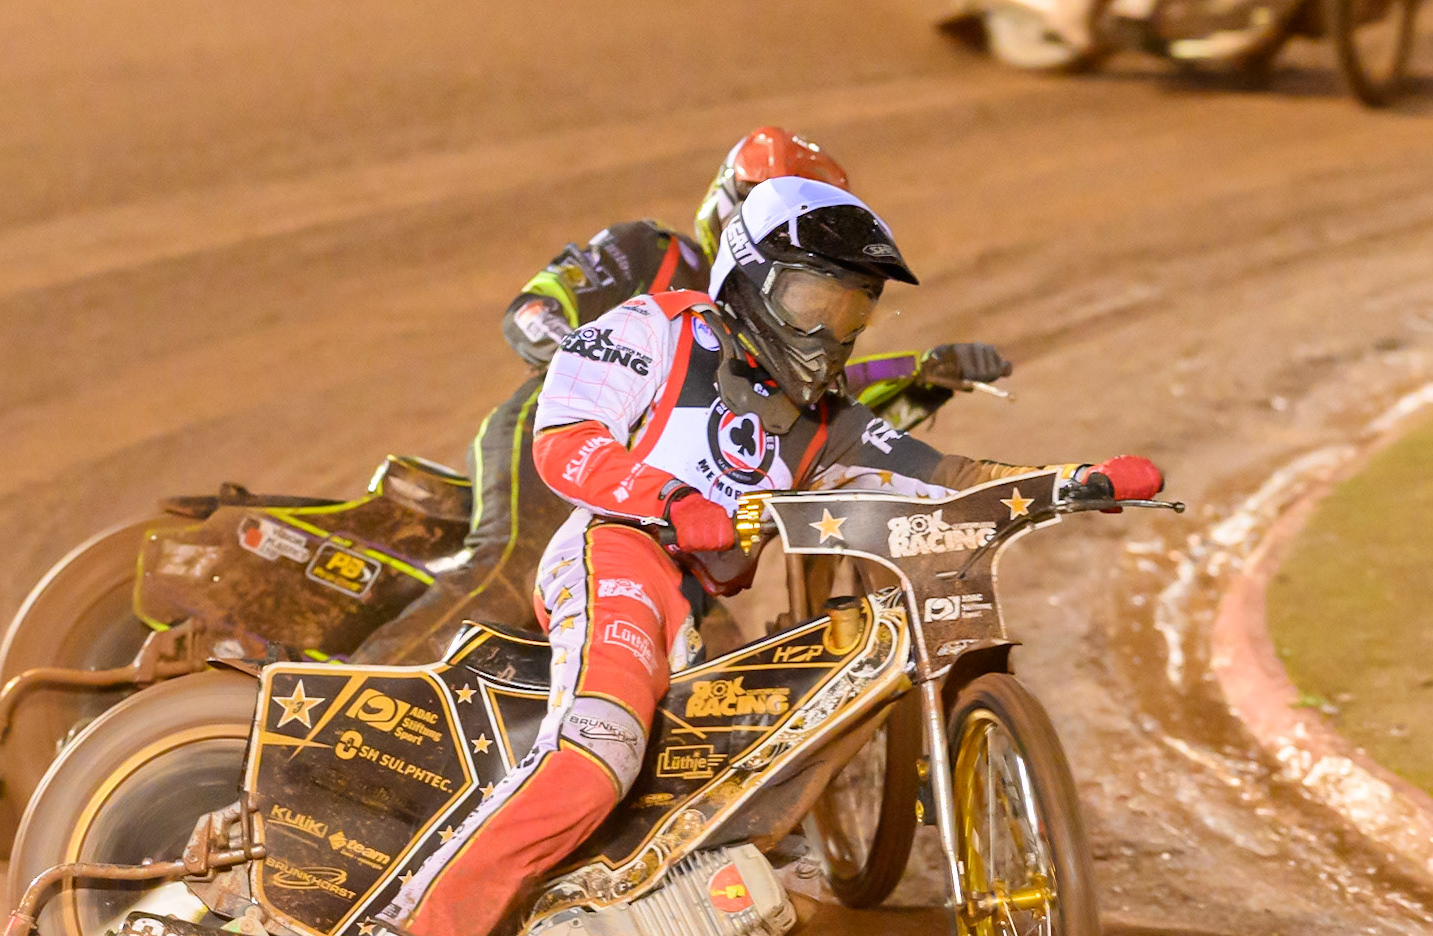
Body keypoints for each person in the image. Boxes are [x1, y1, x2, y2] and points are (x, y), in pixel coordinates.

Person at [344, 177, 1165, 936]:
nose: (829, 331)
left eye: (851, 311)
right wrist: (668, 498)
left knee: (711, 816)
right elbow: (566, 440)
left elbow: (939, 472)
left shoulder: (822, 423)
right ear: (749, 277)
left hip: (688, 603)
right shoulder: (656, 330)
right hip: (613, 554)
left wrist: (1067, 482)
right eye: (813, 298)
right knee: (599, 755)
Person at [352, 127, 1003, 665]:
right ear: (726, 201)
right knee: (504, 580)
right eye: (762, 197)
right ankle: (328, 729)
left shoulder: (803, 320)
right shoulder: (653, 255)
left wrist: (923, 375)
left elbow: (823, 426)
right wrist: (614, 375)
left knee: (722, 671)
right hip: (575, 444)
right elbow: (531, 313)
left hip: (676, 516)